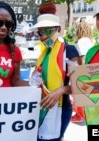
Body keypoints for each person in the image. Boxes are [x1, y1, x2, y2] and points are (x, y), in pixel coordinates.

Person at [30, 2, 80, 141]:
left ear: (58, 29)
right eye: (40, 32)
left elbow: (81, 85)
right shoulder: (44, 52)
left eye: (47, 31)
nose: (43, 36)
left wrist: (61, 90)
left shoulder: (69, 51)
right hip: (41, 106)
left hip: (60, 108)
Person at [71, 21, 95, 123]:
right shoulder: (90, 41)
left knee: (79, 94)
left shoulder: (82, 42)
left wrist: (80, 71)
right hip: (91, 71)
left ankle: (80, 115)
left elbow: (83, 57)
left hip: (83, 72)